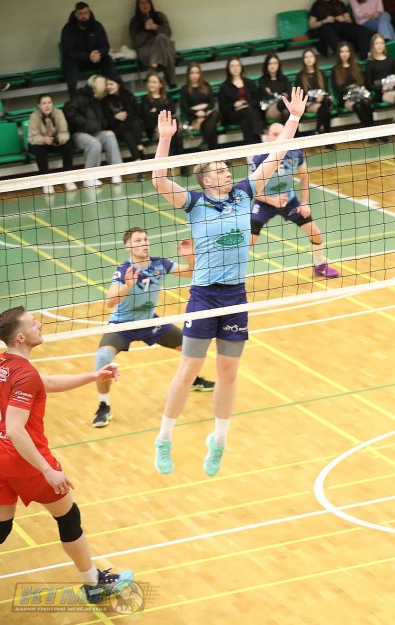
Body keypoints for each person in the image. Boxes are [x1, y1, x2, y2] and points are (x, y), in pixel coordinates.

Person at [149, 88, 307, 477]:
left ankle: (218, 441)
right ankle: (164, 438)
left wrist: (293, 117)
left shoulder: (243, 193)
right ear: (205, 179)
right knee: (189, 369)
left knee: (229, 372)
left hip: (236, 295)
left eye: (226, 168)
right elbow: (158, 179)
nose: (227, 172)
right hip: (204, 296)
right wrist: (165, 140)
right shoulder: (194, 203)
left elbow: (277, 155)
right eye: (220, 169)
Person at [0, 306, 135, 604]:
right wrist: (47, 470)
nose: (39, 324)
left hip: (1, 460)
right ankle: (93, 584)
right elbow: (16, 429)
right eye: (32, 323)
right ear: (20, 337)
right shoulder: (25, 374)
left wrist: (94, 375)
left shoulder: (5, 364)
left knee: (2, 527)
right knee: (68, 516)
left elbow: (46, 383)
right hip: (26, 461)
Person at [91, 227, 215, 428]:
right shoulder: (124, 270)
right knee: (103, 358)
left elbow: (192, 273)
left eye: (145, 239)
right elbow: (110, 302)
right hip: (123, 324)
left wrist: (190, 257)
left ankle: (193, 380)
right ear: (128, 247)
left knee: (191, 348)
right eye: (138, 241)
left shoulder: (159, 264)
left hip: (149, 321)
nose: (144, 243)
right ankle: (103, 406)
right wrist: (127, 286)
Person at [249, 122, 340, 279]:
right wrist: (273, 201)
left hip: (288, 201)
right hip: (264, 202)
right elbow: (251, 190)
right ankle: (227, 278)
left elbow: (304, 178)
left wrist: (304, 203)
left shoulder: (295, 154)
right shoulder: (259, 158)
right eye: (275, 135)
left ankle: (320, 267)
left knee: (316, 234)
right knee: (249, 241)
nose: (278, 138)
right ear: (267, 137)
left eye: (281, 134)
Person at [64, 74, 123, 186]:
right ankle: (89, 177)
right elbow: (68, 111)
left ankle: (116, 173)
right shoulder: (80, 97)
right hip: (79, 133)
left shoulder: (99, 100)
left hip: (95, 131)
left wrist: (103, 126)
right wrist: (85, 123)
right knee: (94, 144)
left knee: (110, 136)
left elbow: (101, 119)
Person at [60, 2, 116, 96]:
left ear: (90, 13)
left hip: (96, 59)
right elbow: (68, 52)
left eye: (86, 13)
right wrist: (87, 56)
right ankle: (73, 97)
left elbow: (105, 45)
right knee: (69, 64)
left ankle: (114, 92)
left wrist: (99, 53)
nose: (84, 16)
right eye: (80, 13)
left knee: (107, 59)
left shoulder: (97, 26)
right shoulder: (68, 29)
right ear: (76, 14)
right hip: (78, 62)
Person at [308, 0, 373, 57]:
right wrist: (325, 21)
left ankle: (364, 57)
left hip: (342, 25)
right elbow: (312, 25)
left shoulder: (339, 3)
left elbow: (349, 20)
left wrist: (343, 19)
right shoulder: (316, 5)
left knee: (363, 30)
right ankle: (344, 59)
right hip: (327, 27)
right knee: (330, 32)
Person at [27, 95, 76, 190]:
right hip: (39, 142)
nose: (47, 105)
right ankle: (46, 181)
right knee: (39, 150)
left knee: (68, 146)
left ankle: (68, 178)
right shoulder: (34, 116)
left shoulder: (59, 113)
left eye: (49, 103)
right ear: (39, 106)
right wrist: (44, 139)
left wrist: (60, 138)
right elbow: (33, 136)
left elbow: (64, 132)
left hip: (55, 141)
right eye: (44, 103)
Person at [128, 0, 176, 87]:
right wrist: (145, 31)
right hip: (147, 51)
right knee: (166, 54)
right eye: (141, 3)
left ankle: (152, 68)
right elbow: (135, 43)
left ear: (151, 4)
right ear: (138, 6)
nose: (144, 4)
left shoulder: (160, 16)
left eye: (147, 2)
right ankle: (172, 84)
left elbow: (168, 34)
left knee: (161, 38)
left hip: (164, 47)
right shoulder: (134, 21)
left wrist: (155, 27)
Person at [219, 58, 263, 146]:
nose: (235, 68)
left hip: (249, 113)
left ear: (241, 67)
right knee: (248, 112)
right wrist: (234, 105)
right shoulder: (224, 86)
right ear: (228, 68)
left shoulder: (249, 83)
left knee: (245, 123)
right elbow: (223, 108)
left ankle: (251, 149)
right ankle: (260, 135)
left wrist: (246, 104)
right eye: (232, 66)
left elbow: (257, 100)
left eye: (237, 65)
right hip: (234, 114)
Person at [332, 42, 376, 129]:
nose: (344, 54)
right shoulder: (335, 69)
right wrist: (350, 89)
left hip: (359, 94)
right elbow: (337, 88)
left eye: (347, 51)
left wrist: (358, 90)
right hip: (346, 97)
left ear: (350, 53)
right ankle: (371, 129)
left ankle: (373, 128)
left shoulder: (356, 66)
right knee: (357, 105)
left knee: (366, 102)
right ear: (338, 53)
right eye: (342, 51)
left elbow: (363, 83)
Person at [140, 72, 183, 157]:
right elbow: (147, 115)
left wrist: (155, 110)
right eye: (149, 82)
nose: (151, 84)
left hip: (168, 123)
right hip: (153, 125)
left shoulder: (167, 96)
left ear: (160, 85)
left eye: (154, 82)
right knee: (168, 129)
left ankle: (178, 156)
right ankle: (172, 155)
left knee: (174, 128)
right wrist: (163, 111)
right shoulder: (145, 98)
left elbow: (173, 110)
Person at [179, 63, 220, 151]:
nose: (195, 75)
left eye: (197, 73)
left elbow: (212, 103)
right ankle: (213, 152)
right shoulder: (184, 89)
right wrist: (197, 112)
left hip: (207, 115)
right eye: (192, 73)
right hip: (194, 117)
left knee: (214, 114)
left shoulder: (206, 85)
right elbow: (185, 108)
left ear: (200, 74)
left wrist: (204, 111)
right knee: (212, 127)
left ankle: (204, 142)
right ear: (188, 74)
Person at [104, 76, 146, 162]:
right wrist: (115, 117)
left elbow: (136, 112)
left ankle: (137, 159)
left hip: (131, 125)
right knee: (127, 131)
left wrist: (126, 115)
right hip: (117, 127)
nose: (108, 87)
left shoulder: (127, 95)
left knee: (130, 130)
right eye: (107, 85)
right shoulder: (105, 100)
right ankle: (140, 150)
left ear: (118, 85)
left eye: (111, 84)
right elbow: (106, 120)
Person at [296, 48, 334, 139]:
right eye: (306, 57)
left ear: (315, 58)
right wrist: (314, 99)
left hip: (323, 102)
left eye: (311, 56)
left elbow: (326, 91)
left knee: (325, 104)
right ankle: (327, 136)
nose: (309, 59)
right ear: (303, 60)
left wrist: (322, 97)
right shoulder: (300, 75)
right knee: (325, 109)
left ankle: (317, 130)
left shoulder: (321, 73)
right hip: (308, 104)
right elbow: (301, 95)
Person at [258, 53, 292, 123]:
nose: (272, 66)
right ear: (266, 65)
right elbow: (268, 96)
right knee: (285, 106)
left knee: (285, 112)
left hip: (284, 107)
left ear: (278, 65)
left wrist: (273, 94)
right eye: (270, 63)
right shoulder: (262, 80)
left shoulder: (284, 79)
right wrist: (282, 95)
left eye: (275, 63)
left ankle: (290, 131)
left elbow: (289, 93)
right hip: (270, 107)